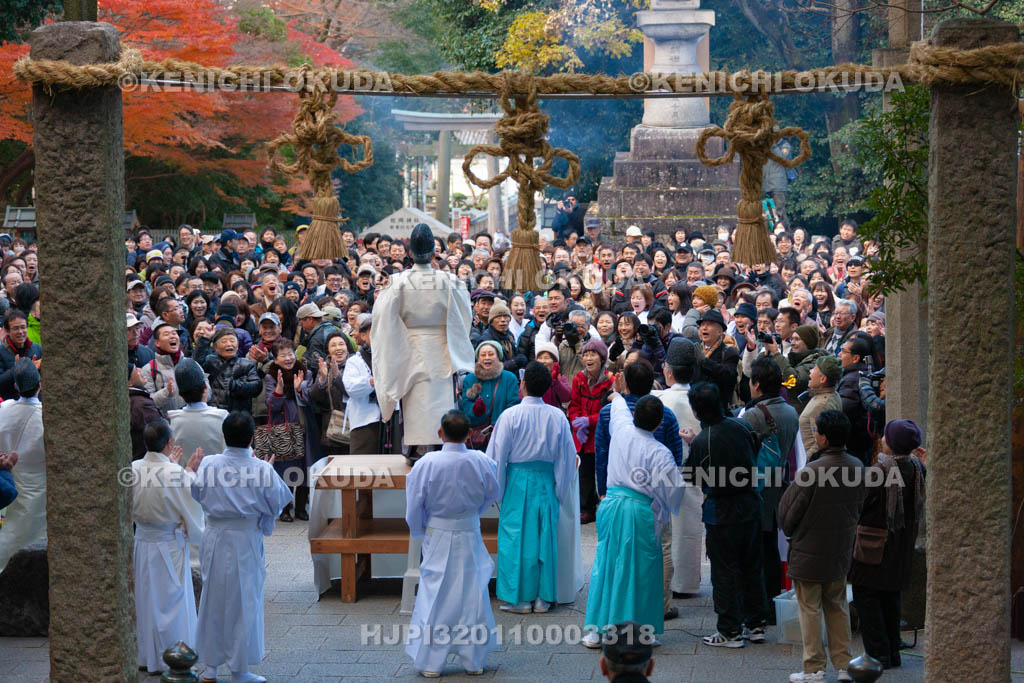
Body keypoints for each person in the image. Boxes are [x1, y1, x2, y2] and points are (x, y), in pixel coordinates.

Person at [192, 412, 292, 683]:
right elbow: (279, 501)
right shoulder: (261, 469)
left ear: (224, 436)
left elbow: (196, 493)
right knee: (243, 602)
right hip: (243, 538)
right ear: (252, 438)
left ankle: (210, 667)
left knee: (212, 598)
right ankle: (238, 670)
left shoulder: (210, 463)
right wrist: (264, 469)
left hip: (214, 536)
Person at [582, 391, 684, 648]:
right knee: (642, 571)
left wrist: (616, 394)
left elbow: (617, 406)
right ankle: (639, 632)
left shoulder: (622, 429)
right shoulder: (660, 452)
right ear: (659, 424)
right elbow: (673, 492)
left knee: (606, 564)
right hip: (639, 511)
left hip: (612, 505)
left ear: (635, 414)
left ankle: (596, 631)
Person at [404, 410, 501, 677]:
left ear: (439, 433)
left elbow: (414, 503)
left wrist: (419, 528)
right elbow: (493, 493)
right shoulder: (481, 461)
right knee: (472, 593)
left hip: (438, 531)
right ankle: (473, 660)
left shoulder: (427, 463)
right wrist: (472, 515)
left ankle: (432, 662)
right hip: (469, 529)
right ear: (469, 434)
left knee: (435, 593)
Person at [372, 224, 475, 459]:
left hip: (409, 348)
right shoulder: (450, 281)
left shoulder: (398, 282)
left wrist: (396, 345)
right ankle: (445, 448)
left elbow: (382, 320)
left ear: (410, 253)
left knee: (416, 403)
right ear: (433, 252)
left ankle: (415, 451)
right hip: (442, 348)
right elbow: (464, 317)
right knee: (442, 404)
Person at [779, 410, 866, 683]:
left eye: (817, 430)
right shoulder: (857, 466)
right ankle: (844, 664)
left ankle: (814, 667)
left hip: (808, 552)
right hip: (840, 549)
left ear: (825, 438)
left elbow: (787, 514)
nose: (814, 434)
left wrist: (794, 533)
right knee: (837, 606)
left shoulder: (812, 471)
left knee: (810, 609)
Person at [487, 361, 577, 614]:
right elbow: (567, 458)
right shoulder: (557, 416)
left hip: (517, 481)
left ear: (523, 384)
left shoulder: (510, 415)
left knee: (516, 539)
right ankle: (543, 597)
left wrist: (497, 491)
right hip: (546, 480)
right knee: (544, 538)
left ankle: (520, 598)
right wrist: (559, 489)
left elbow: (497, 457)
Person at [682, 382, 768, 648]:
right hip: (751, 505)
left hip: (721, 512)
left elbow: (691, 475)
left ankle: (730, 630)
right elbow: (755, 450)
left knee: (724, 571)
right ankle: (756, 624)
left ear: (696, 412)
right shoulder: (742, 426)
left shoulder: (702, 441)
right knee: (752, 566)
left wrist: (691, 444)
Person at [849, 419, 926, 670]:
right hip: (900, 546)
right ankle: (892, 652)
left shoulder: (879, 472)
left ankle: (878, 655)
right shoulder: (915, 468)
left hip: (873, 547)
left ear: (891, 443)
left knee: (868, 598)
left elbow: (857, 506)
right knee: (890, 598)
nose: (881, 438)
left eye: (886, 436)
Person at [132, 419, 205, 675]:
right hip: (169, 543)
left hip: (142, 542)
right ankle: (173, 657)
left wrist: (181, 471)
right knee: (171, 602)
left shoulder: (132, 468)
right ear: (170, 443)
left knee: (146, 599)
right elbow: (190, 506)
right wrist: (190, 472)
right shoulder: (176, 474)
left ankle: (146, 656)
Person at [741, 357, 800, 603]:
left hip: (758, 487)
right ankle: (774, 599)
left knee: (757, 548)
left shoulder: (753, 416)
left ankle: (759, 603)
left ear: (756, 384)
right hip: (779, 485)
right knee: (771, 547)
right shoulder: (791, 412)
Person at [652, 338, 704, 600]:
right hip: (695, 472)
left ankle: (663, 582)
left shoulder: (659, 400)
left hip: (663, 473)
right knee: (690, 527)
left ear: (668, 371)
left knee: (665, 530)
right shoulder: (701, 399)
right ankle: (686, 582)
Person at [0, 359, 45, 571]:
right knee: (36, 539)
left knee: (8, 536)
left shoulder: (4, 409)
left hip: (8, 480)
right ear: (40, 385)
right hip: (38, 486)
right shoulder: (45, 417)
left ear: (16, 386)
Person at [568, 338, 613, 524]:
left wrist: (590, 421)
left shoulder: (610, 380)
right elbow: (574, 405)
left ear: (602, 358)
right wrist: (576, 423)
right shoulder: (579, 378)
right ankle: (586, 508)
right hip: (583, 437)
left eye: (593, 354)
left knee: (603, 471)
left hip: (601, 435)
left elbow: (608, 412)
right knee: (584, 472)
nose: (588, 358)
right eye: (586, 354)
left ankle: (605, 505)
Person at [167, 358, 228, 466]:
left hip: (183, 479)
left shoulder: (172, 421)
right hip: (218, 479)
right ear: (205, 389)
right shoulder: (221, 417)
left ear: (181, 394)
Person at [460, 342, 521, 434]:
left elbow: (514, 404)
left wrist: (500, 423)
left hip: (504, 431)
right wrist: (475, 410)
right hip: (478, 432)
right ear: (478, 358)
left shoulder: (509, 378)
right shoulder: (470, 379)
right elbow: (466, 404)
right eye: (483, 355)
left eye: (491, 354)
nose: (487, 357)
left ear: (498, 357)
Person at [342, 314, 382, 454]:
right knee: (362, 468)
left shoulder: (393, 357)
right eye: (374, 331)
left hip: (392, 420)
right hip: (365, 422)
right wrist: (374, 381)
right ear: (363, 336)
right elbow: (352, 389)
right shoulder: (355, 361)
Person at [199, 327, 262, 414]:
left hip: (239, 415)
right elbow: (197, 363)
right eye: (224, 341)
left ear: (238, 344)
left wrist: (235, 385)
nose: (229, 344)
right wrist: (205, 339)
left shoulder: (247, 364)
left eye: (232, 341)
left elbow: (256, 387)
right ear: (215, 347)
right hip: (216, 413)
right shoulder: (210, 361)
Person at [837, 336, 873, 465]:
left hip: (854, 442)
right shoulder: (857, 374)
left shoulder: (851, 380)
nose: (839, 354)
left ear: (856, 358)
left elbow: (843, 410)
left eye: (843, 351)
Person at [799, 356, 843, 457]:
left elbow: (820, 444)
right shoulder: (832, 394)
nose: (810, 371)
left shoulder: (821, 405)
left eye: (814, 368)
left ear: (822, 379)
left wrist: (804, 463)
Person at [0, 309, 42, 400]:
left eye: (23, 327)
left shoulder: (38, 349)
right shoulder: (1, 352)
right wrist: (17, 369)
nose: (20, 331)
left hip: (36, 404)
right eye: (15, 328)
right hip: (12, 406)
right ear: (7, 331)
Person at [129, 364, 163, 461]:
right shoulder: (142, 405)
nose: (140, 370)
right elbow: (159, 429)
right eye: (136, 369)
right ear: (129, 382)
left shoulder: (135, 399)